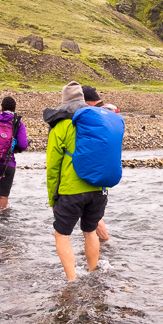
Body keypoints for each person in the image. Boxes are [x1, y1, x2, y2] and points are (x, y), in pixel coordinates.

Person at [44, 81, 112, 280]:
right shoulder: (97, 122)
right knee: (90, 231)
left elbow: (53, 166)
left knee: (62, 235)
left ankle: (72, 280)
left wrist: (52, 199)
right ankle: (92, 274)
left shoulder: (60, 126)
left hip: (71, 191)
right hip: (98, 188)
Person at [81, 85, 115, 241]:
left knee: (91, 217)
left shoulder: (94, 114)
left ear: (88, 102)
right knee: (94, 215)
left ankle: (105, 244)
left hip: (94, 172)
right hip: (106, 171)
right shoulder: (108, 113)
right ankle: (104, 245)